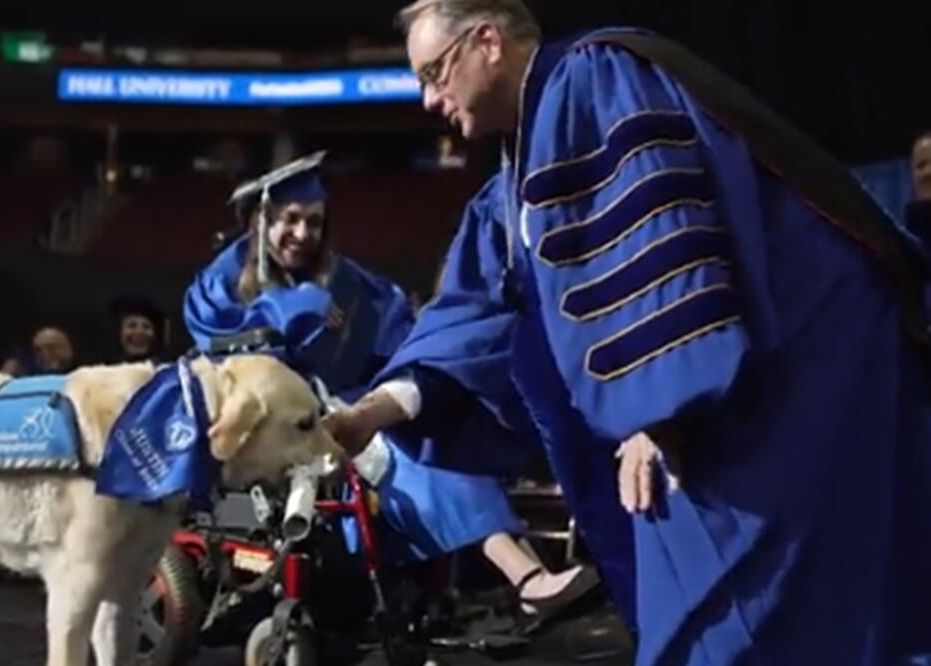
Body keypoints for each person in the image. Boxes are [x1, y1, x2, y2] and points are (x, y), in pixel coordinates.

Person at [323, 1, 931, 664]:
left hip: (803, 365)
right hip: (716, 398)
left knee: (780, 612)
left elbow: (659, 242)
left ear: (488, 42)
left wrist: (658, 412)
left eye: (434, 73)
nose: (429, 100)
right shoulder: (515, 178)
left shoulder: (595, 79)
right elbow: (474, 314)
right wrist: (371, 412)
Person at [184, 152, 596, 622]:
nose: (303, 234)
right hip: (275, 425)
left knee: (428, 430)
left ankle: (500, 580)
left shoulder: (346, 280)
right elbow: (227, 356)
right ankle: (525, 576)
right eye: (290, 220)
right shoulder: (221, 283)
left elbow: (394, 330)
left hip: (349, 408)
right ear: (261, 221)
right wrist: (300, 311)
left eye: (314, 223)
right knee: (401, 451)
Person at [109, 295, 167, 363]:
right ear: (119, 333)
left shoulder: (164, 371)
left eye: (146, 327)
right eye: (132, 325)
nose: (139, 331)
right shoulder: (104, 370)